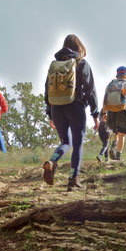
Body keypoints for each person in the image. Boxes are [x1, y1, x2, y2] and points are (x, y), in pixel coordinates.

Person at [43, 34, 99, 191]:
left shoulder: (54, 65)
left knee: (65, 142)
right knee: (77, 144)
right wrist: (96, 114)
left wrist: (50, 113)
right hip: (75, 106)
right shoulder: (81, 63)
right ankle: (73, 180)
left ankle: (53, 161)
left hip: (56, 108)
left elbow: (47, 90)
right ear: (78, 47)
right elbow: (90, 90)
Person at [102, 66, 126, 161]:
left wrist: (104, 112)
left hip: (111, 111)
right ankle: (118, 157)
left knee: (116, 133)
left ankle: (113, 147)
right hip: (123, 110)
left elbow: (105, 99)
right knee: (122, 134)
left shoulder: (111, 84)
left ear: (117, 75)